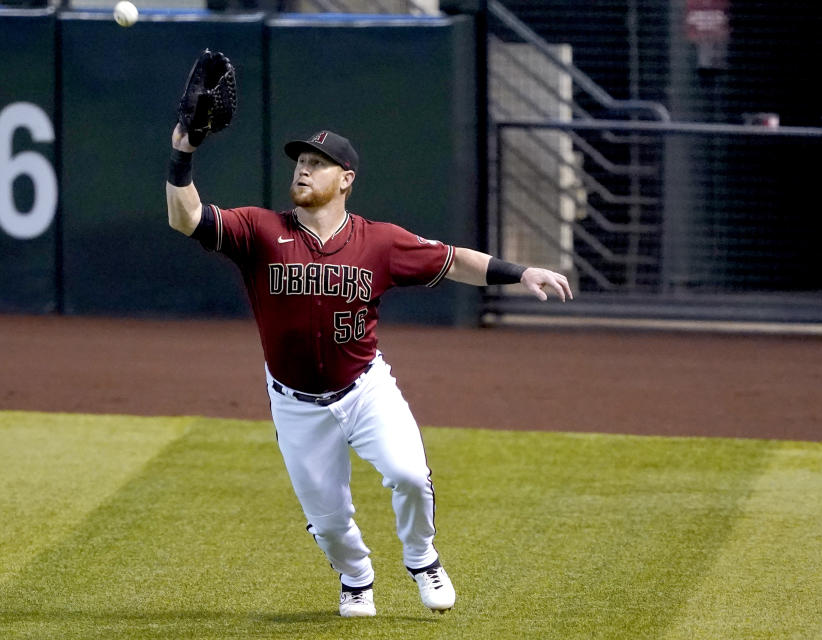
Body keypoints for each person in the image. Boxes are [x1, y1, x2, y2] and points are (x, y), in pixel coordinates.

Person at [165, 124, 572, 617]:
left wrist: (521, 272)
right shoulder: (259, 231)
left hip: (364, 389)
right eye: (300, 162)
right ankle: (356, 577)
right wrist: (182, 153)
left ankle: (422, 558)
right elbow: (186, 218)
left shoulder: (377, 242)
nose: (304, 169)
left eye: (318, 163)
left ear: (346, 179)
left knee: (409, 475)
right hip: (295, 404)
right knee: (330, 523)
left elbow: (454, 260)